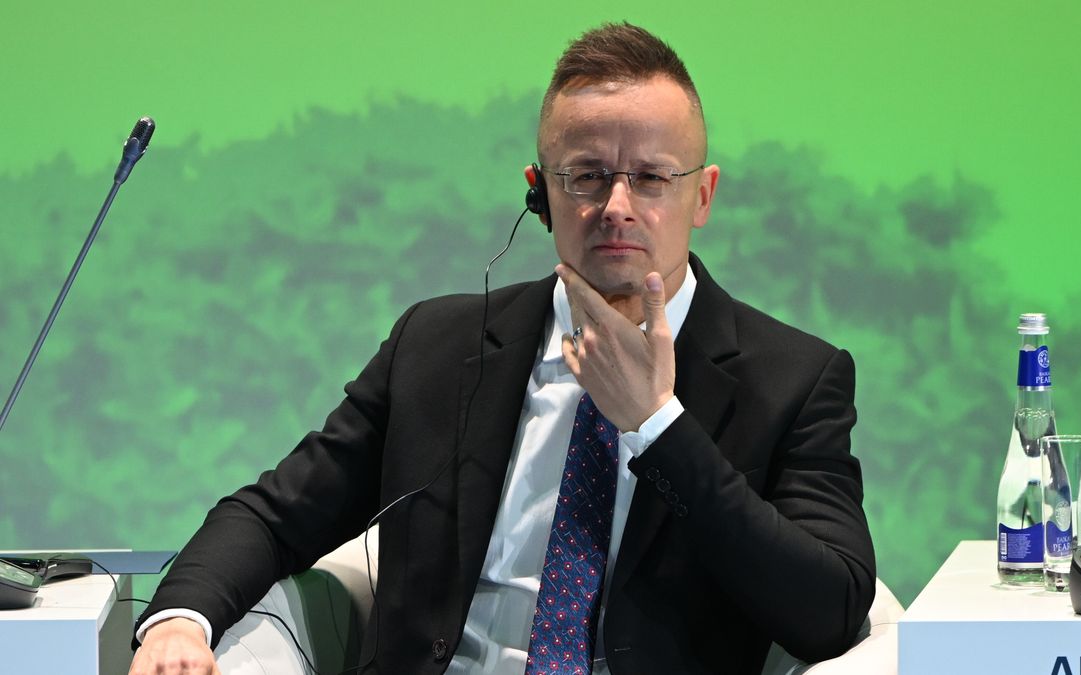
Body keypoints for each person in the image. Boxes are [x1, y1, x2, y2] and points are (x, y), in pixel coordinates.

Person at [129, 22, 875, 675]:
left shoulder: (795, 380)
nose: (616, 205)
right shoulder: (437, 345)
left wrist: (657, 427)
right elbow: (276, 513)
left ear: (702, 195)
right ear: (539, 192)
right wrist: (178, 620)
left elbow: (831, 606)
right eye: (586, 175)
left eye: (650, 177)